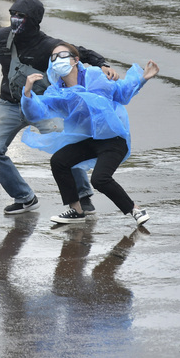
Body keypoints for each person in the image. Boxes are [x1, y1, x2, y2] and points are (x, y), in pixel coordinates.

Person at [0, 0, 117, 215]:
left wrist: (103, 64)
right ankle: (24, 198)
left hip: (43, 106)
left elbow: (80, 53)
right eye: (13, 14)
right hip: (10, 104)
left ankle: (82, 195)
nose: (15, 19)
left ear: (33, 20)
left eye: (21, 16)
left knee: (66, 146)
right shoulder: (3, 37)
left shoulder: (49, 46)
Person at [20, 42, 159, 226]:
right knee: (59, 161)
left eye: (62, 56)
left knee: (99, 179)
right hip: (89, 141)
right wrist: (27, 93)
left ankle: (135, 209)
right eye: (53, 57)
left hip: (113, 139)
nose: (57, 60)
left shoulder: (96, 75)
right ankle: (77, 211)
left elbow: (122, 94)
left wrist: (143, 78)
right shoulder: (57, 91)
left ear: (76, 60)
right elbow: (37, 113)